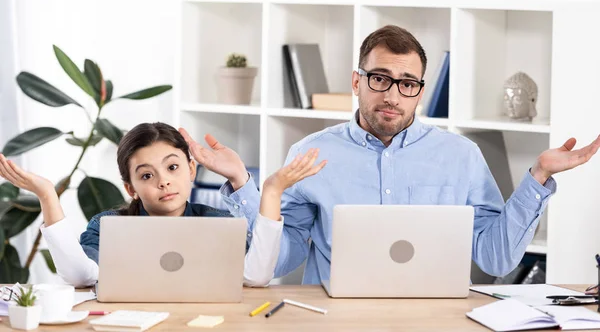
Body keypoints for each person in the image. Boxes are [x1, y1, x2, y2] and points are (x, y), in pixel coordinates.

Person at [194, 25, 600, 285]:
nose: (391, 95)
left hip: (435, 321)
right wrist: (244, 185)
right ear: (357, 81)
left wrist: (538, 177)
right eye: (379, 78)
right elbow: (281, 260)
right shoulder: (310, 153)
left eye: (407, 83)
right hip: (335, 321)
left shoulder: (461, 156)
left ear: (420, 92)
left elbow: (494, 258)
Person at [0, 122, 324, 287]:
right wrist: (47, 196)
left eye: (172, 167)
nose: (163, 181)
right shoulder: (108, 226)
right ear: (131, 188)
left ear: (191, 169)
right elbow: (81, 276)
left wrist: (269, 192)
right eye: (146, 175)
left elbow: (255, 276)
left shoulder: (218, 221)